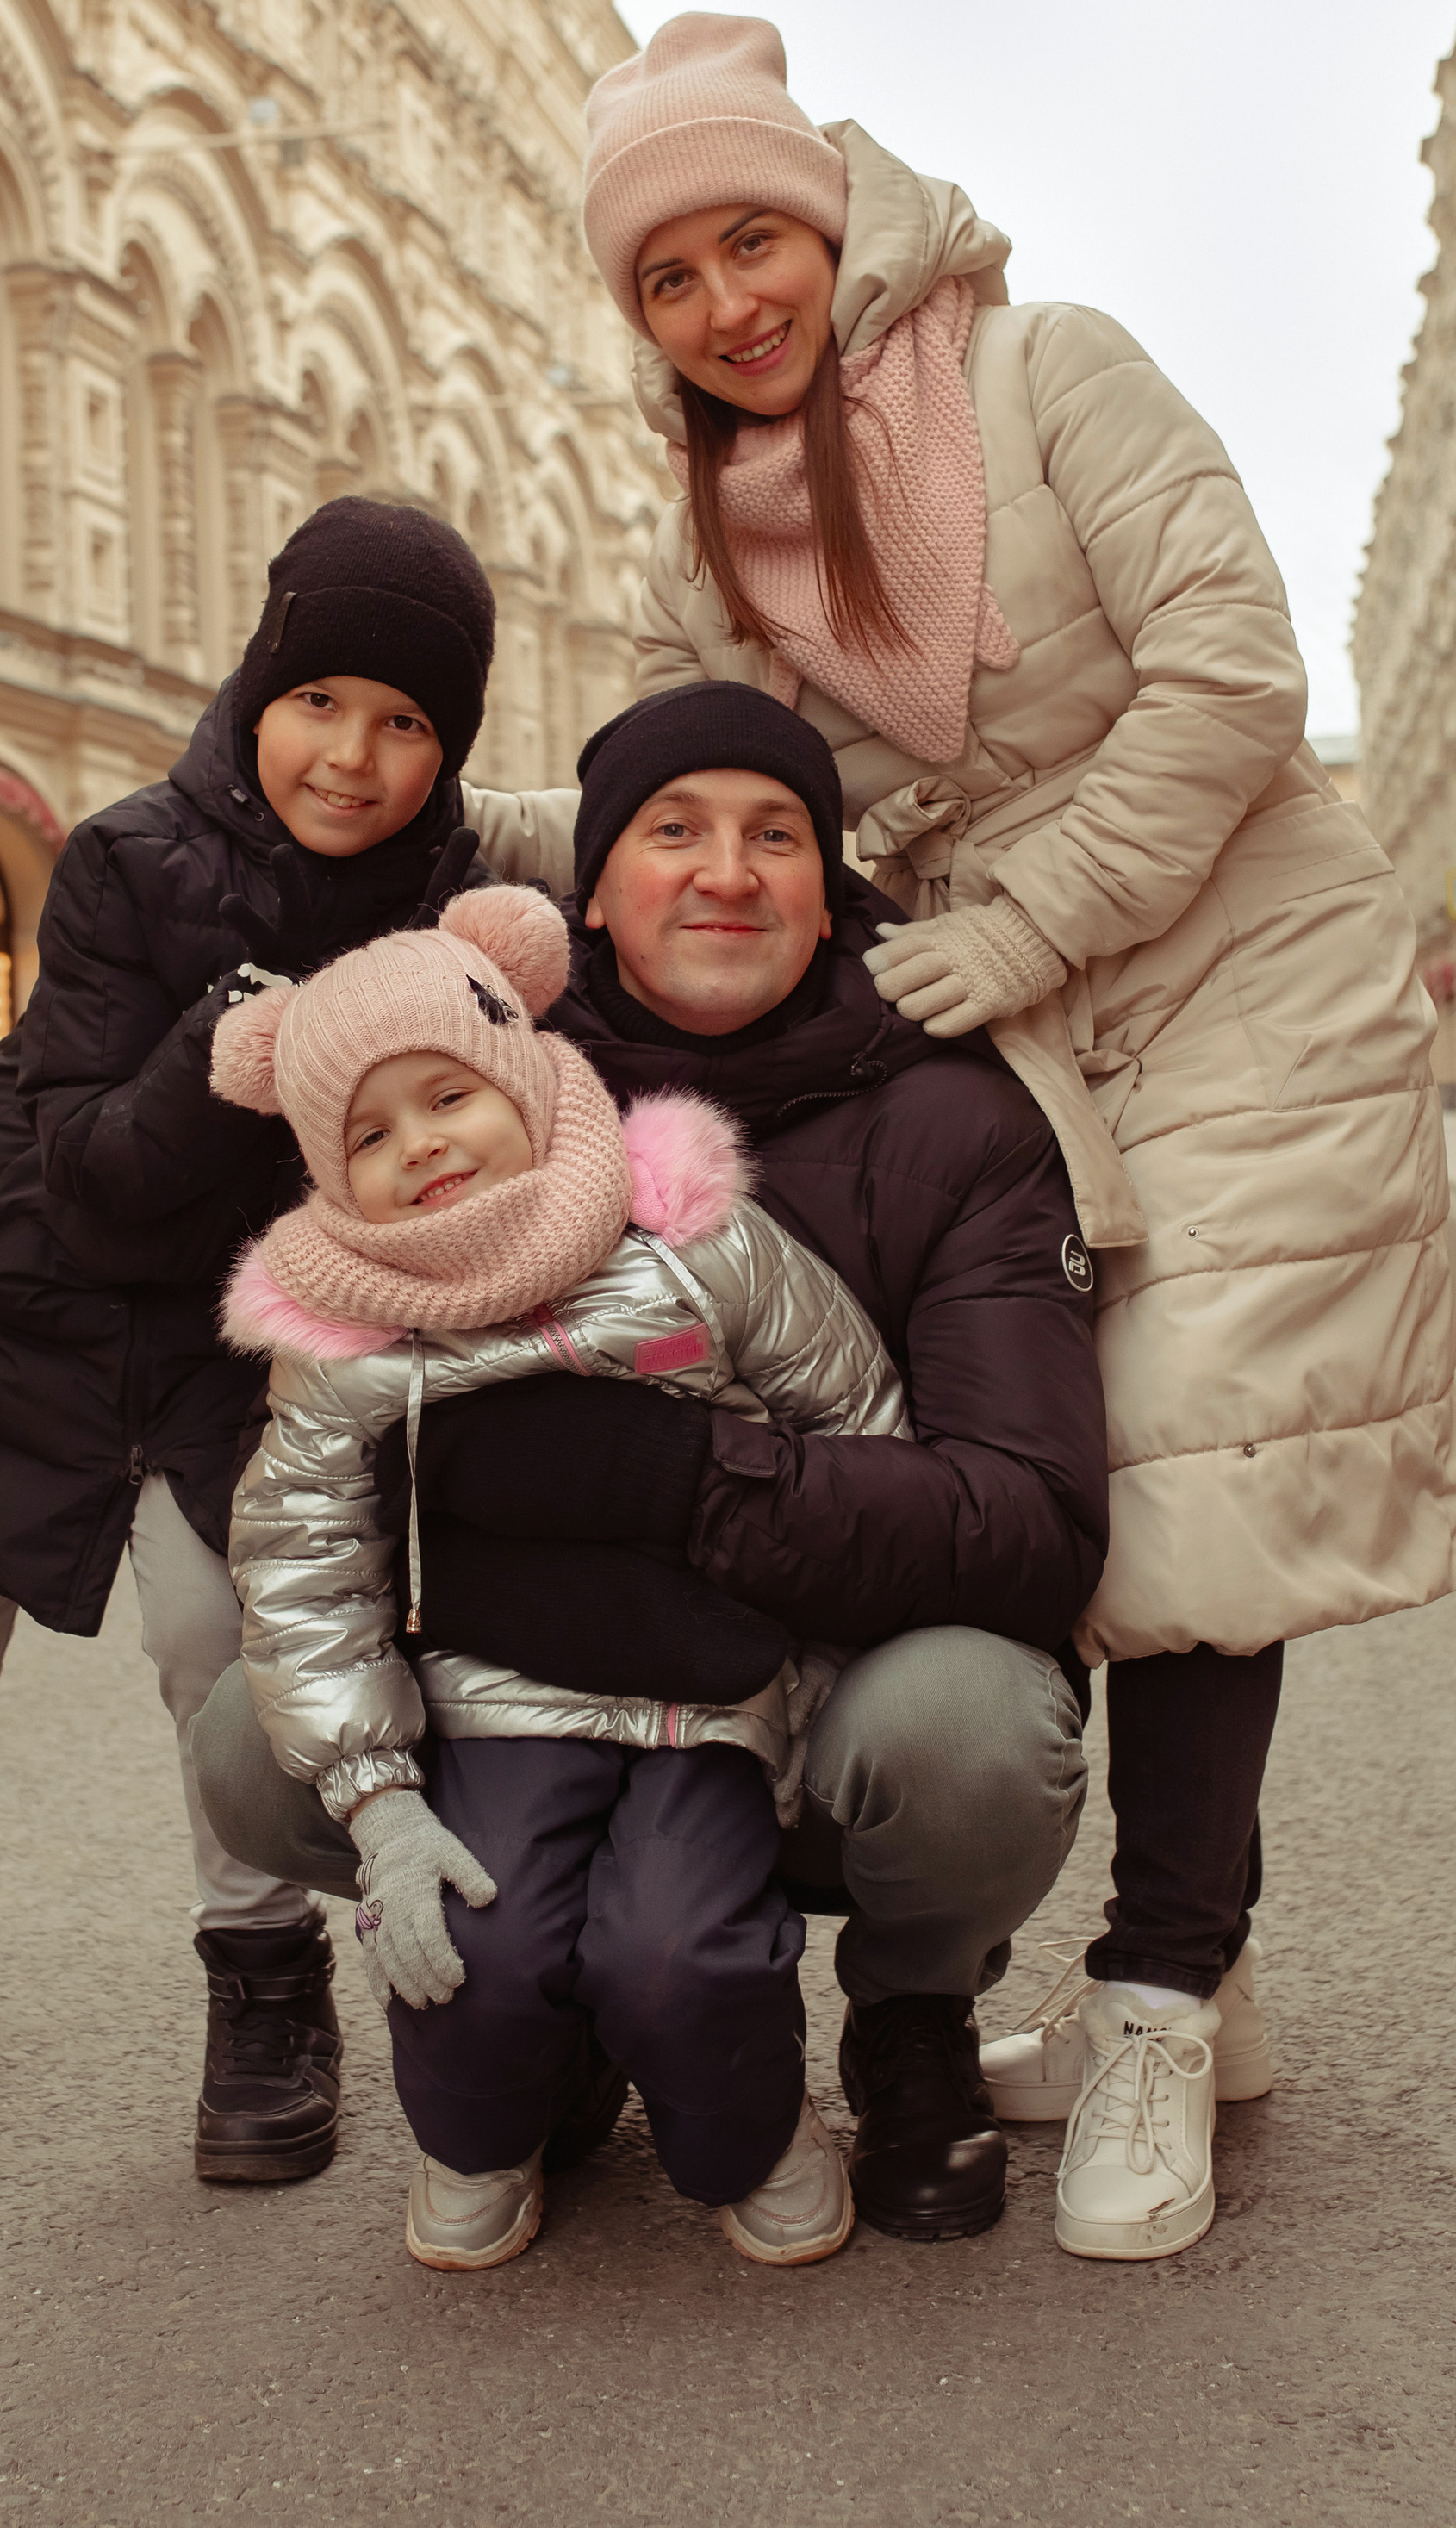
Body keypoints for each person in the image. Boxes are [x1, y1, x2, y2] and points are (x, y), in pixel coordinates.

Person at [576, 10, 1456, 2263]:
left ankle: (1161, 1997)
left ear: (833, 211)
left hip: (1245, 963)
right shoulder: (723, 532)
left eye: (750, 238)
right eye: (669, 277)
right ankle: (1209, 1967)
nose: (728, 303)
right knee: (1064, 1485)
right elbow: (743, 797)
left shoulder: (1045, 366)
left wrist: (1028, 916)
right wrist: (502, 890)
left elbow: (1234, 668)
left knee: (1194, 1479)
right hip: (1040, 1004)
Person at [196, 680, 1110, 2245]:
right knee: (243, 1728)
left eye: (775, 836)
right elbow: (312, 1499)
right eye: (671, 830)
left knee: (969, 1726)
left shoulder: (953, 1119)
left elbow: (1022, 1525)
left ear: (831, 893)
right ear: (593, 891)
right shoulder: (475, 1091)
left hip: (789, 1674)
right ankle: (538, 2036)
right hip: (510, 1688)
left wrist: (671, 1487)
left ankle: (907, 2014)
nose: (727, 871)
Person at [0, 499, 504, 2193]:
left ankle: (262, 1986)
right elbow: (85, 1162)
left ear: (446, 753)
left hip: (239, 1344)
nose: (352, 755)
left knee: (213, 1651)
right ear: (256, 685)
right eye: (320, 701)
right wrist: (217, 1054)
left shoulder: (452, 905)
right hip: (35, 1307)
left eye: (405, 724)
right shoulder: (123, 856)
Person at [211, 878, 911, 2272]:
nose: (421, 1146)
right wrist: (379, 1799)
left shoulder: (694, 1244)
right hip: (494, 1701)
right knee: (477, 1957)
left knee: (680, 1951)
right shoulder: (343, 1334)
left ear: (523, 1080)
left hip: (707, 1698)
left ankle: (751, 2132)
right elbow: (302, 1562)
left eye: (447, 1095)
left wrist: (817, 1676)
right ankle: (488, 2135)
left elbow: (856, 1436)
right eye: (369, 1131)